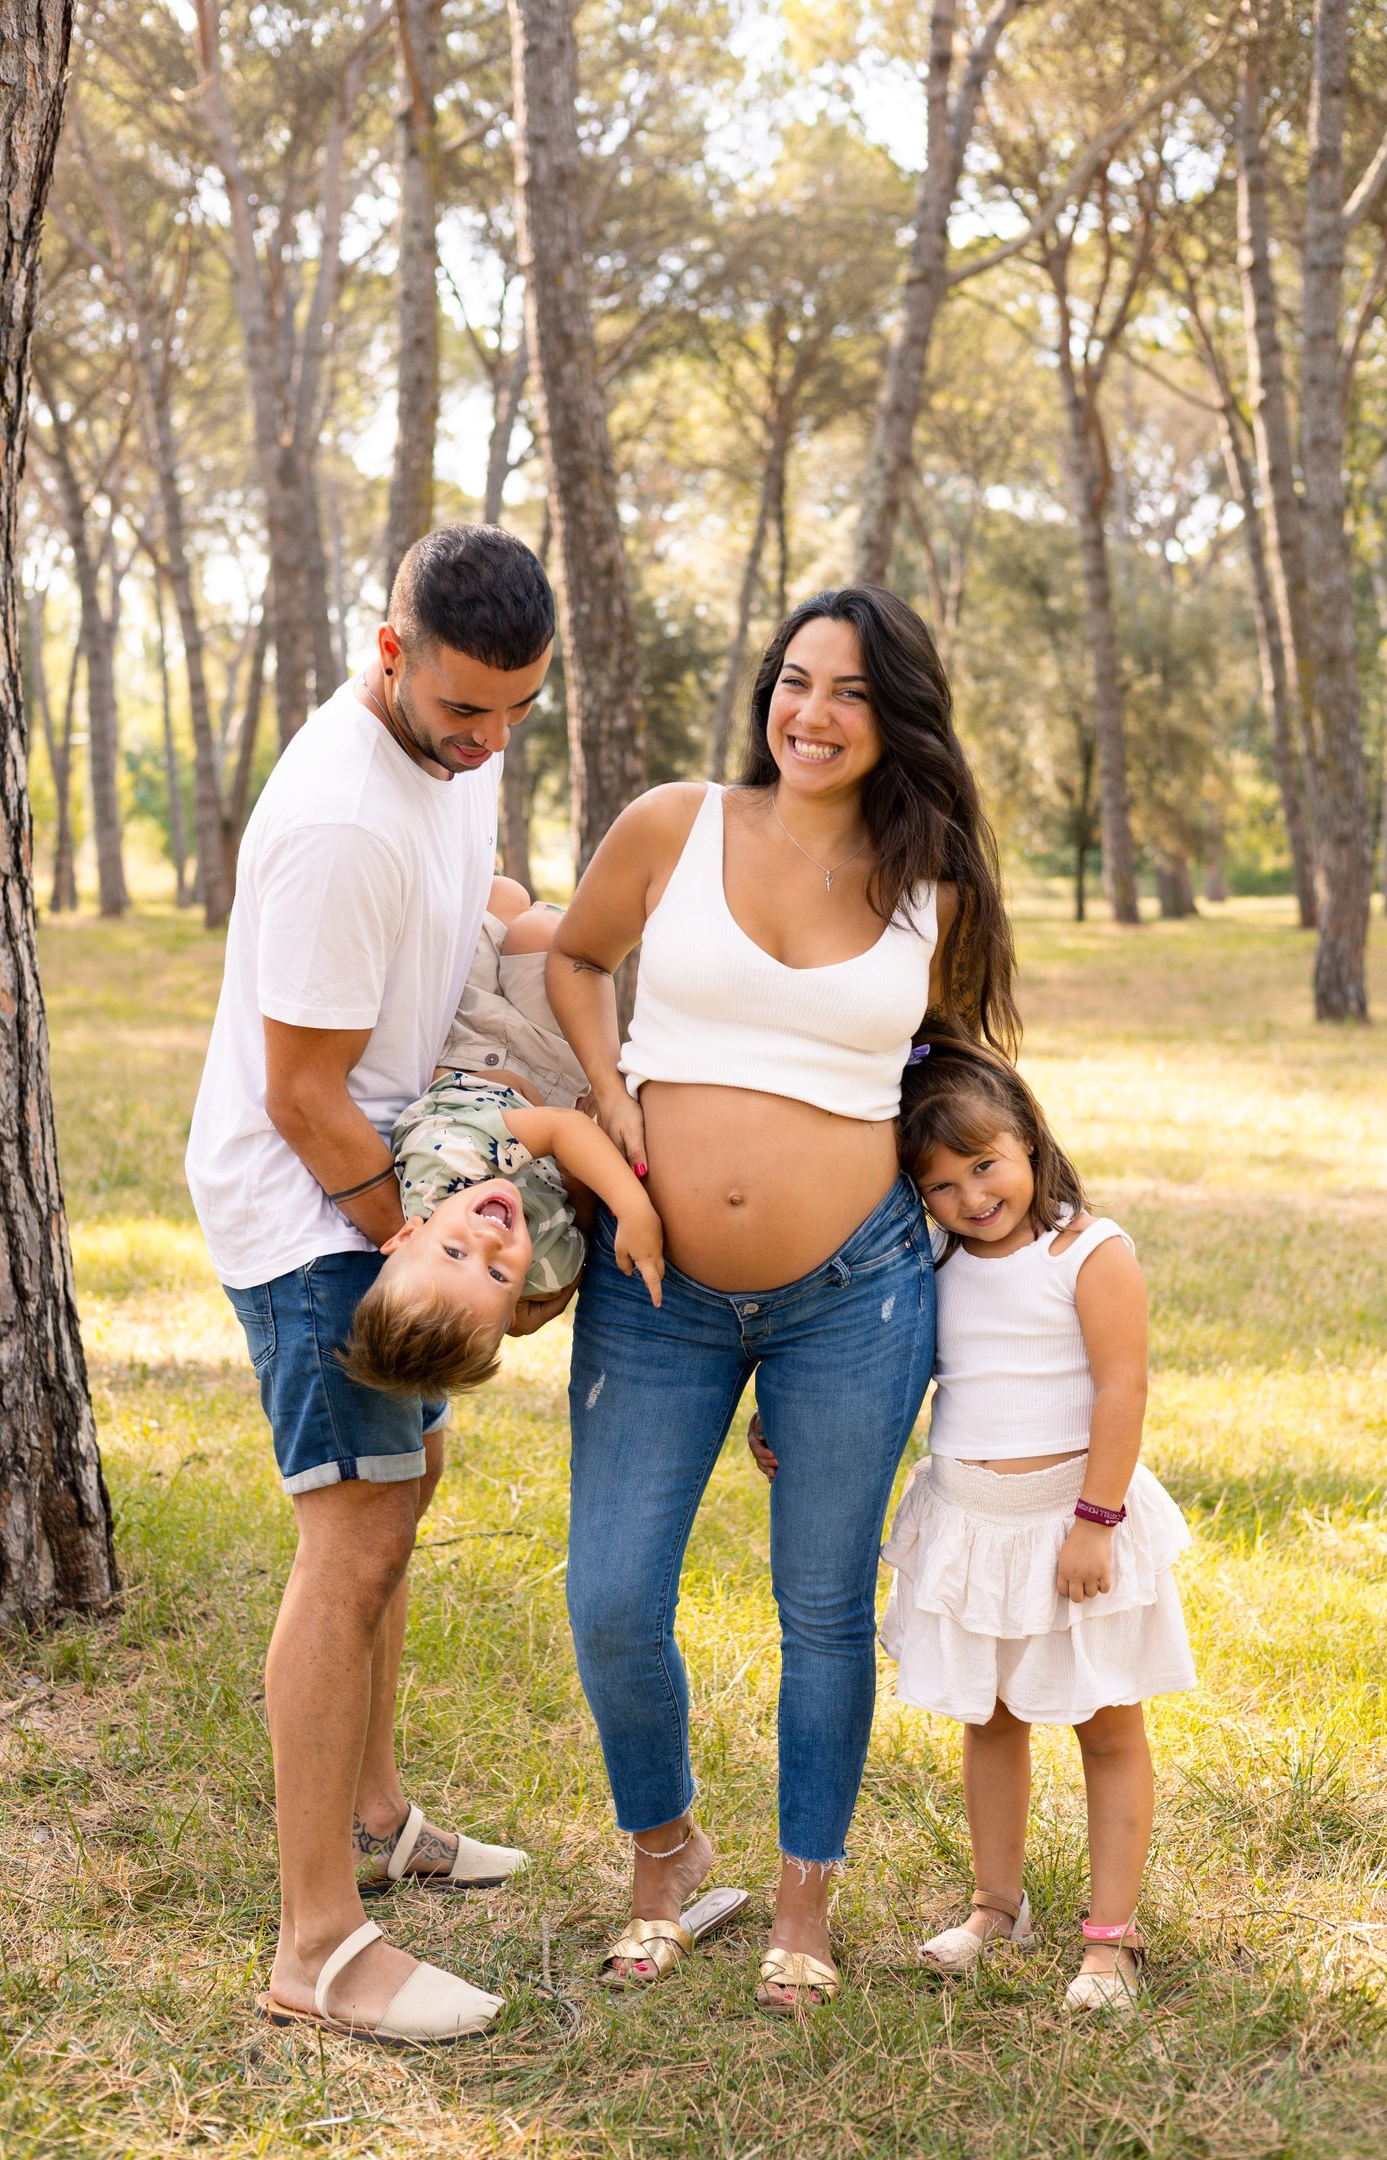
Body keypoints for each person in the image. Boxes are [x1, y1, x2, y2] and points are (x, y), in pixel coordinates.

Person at [545, 584, 1019, 2013]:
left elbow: (954, 1070)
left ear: (896, 720)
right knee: (612, 1593)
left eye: (852, 693)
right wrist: (613, 1100)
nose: (812, 713)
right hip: (658, 1286)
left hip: (854, 1297)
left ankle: (804, 1900)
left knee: (820, 1606)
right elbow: (576, 955)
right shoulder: (673, 826)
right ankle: (666, 1857)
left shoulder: (934, 884)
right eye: (796, 681)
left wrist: (1031, 1232)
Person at [185, 523, 561, 2046]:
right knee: (346, 1555)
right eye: (468, 709)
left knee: (398, 1511)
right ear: (391, 651)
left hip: (386, 1187)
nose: (491, 741)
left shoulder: (443, 762)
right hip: (318, 1210)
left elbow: (469, 897)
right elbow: (302, 1095)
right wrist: (416, 1236)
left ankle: (380, 1816)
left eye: (519, 713)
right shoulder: (342, 815)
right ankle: (317, 1945)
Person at [877, 1034, 1194, 2011]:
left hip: (1072, 1528)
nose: (973, 1196)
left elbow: (1121, 1386)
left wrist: (1096, 1519)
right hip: (974, 1526)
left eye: (986, 1164)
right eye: (942, 1184)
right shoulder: (932, 1263)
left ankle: (1110, 1939)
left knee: (1106, 1726)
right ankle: (995, 1903)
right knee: (992, 1718)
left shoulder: (1087, 1252)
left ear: (1028, 1141)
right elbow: (891, 1371)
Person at [343, 889, 666, 1402]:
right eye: (496, 1274)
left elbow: (566, 1132)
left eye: (452, 1251)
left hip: (471, 1038)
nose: (487, 1241)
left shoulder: (442, 1171)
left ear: (406, 1236)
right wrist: (564, 1261)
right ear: (517, 1305)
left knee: (500, 897)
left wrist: (633, 1208)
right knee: (540, 931)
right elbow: (575, 1193)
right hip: (548, 1063)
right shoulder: (547, 1269)